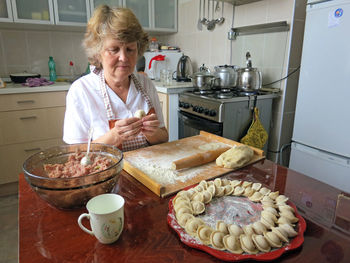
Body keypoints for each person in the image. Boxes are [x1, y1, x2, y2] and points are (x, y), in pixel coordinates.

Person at [63, 5, 168, 151]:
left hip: (145, 170)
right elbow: (74, 153)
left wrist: (153, 133)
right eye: (114, 50)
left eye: (130, 49)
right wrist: (114, 137)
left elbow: (164, 137)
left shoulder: (146, 84)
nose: (124, 58)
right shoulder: (81, 91)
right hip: (107, 172)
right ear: (98, 52)